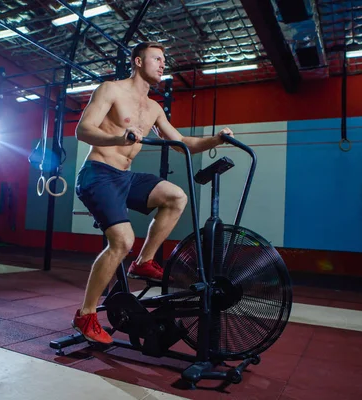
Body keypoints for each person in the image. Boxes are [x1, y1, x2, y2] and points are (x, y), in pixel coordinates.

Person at [72, 41, 234, 344]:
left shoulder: (154, 107)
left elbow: (182, 142)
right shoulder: (111, 90)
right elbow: (82, 130)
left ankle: (144, 261)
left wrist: (217, 140)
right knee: (121, 241)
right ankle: (86, 314)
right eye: (156, 59)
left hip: (125, 176)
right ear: (137, 61)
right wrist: (118, 138)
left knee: (176, 196)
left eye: (164, 60)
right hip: (98, 174)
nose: (162, 64)